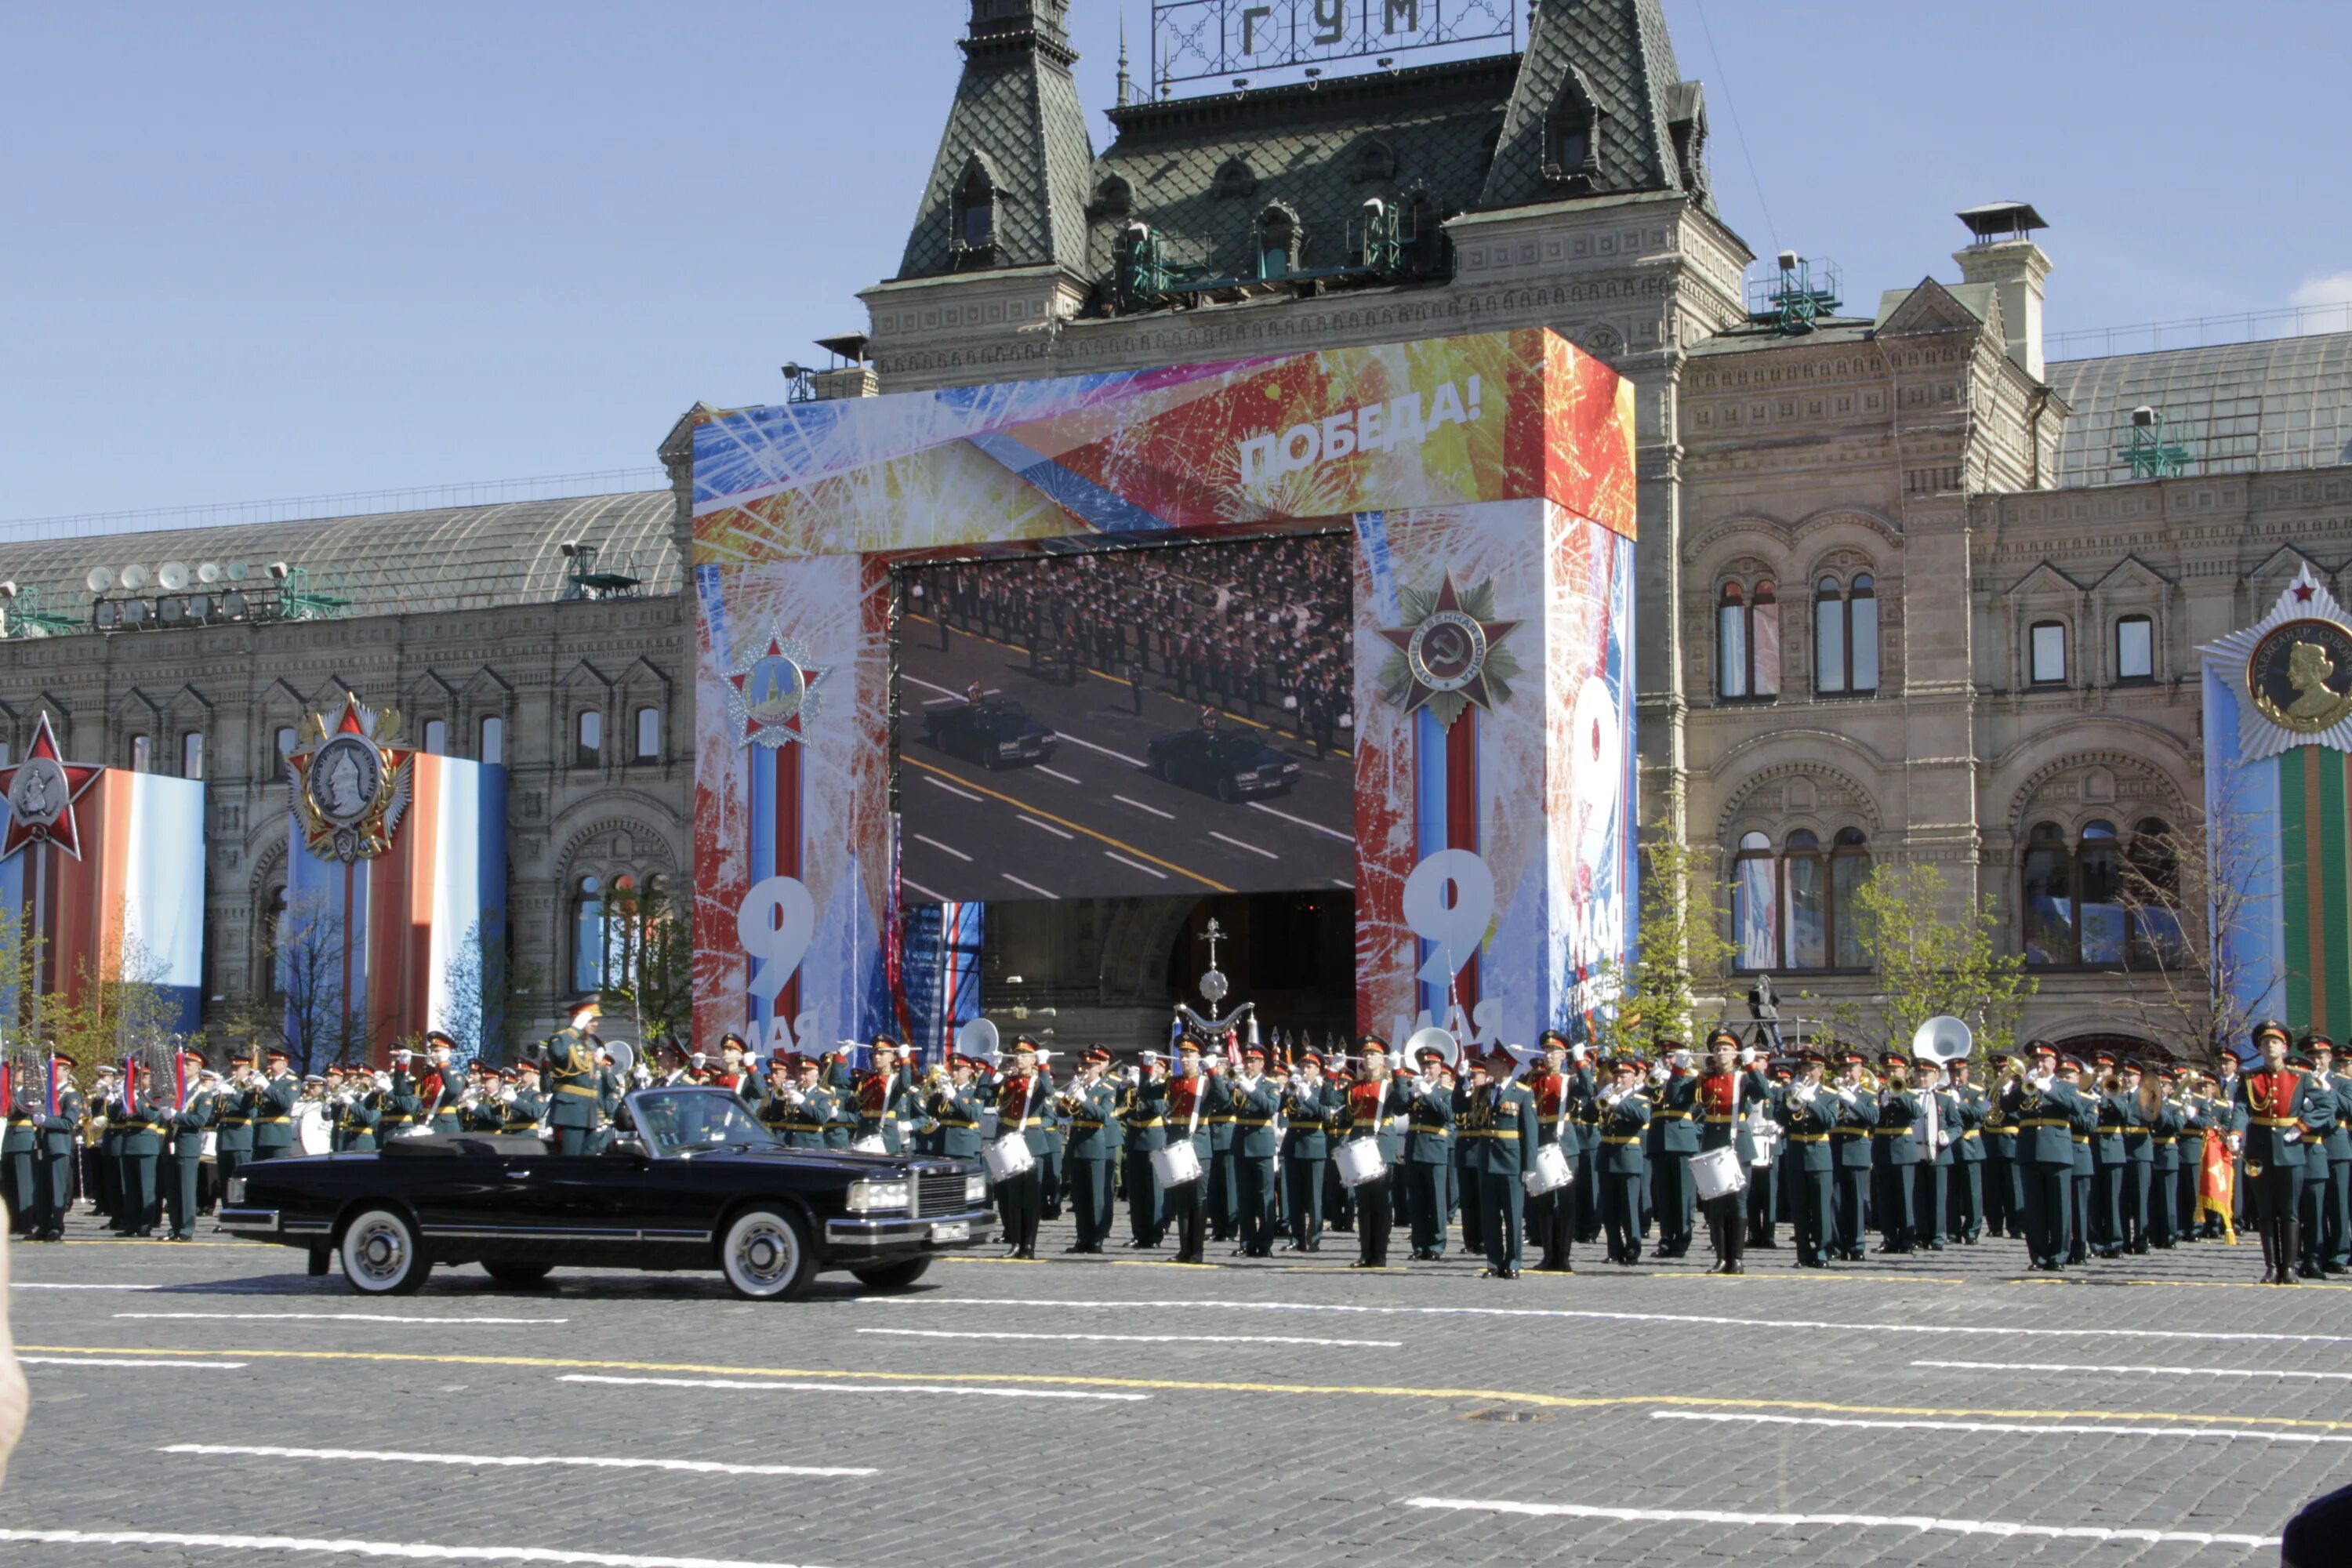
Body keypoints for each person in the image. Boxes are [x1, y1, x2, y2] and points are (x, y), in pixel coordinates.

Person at [2236, 1022, 2314, 1284]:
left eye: (2275, 1042)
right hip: (2258, 1150)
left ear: (2284, 1047)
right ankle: (2271, 1268)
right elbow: (2240, 1108)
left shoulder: (2300, 1077)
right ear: (2259, 1048)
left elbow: (2325, 1105)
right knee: (2265, 1211)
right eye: (2265, 1042)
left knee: (2290, 1211)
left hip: (2290, 1149)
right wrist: (2236, 1135)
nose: (2270, 1046)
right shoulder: (2250, 1078)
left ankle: (2290, 1268)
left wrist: (2302, 1126)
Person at [2004, 1041, 2089, 1272]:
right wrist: (2021, 1087)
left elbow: (2076, 1108)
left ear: (2054, 1063)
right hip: (2029, 1151)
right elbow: (2005, 1106)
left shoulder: (2064, 1086)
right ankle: (2038, 1256)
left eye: (2044, 1060)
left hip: (2057, 1152)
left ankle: (2059, 1256)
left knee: (2060, 1207)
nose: (2040, 1064)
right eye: (2035, 1060)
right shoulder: (2025, 1084)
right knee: (2034, 1208)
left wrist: (2048, 1089)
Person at [1466, 1045, 1539, 1278]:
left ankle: (1514, 1262)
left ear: (1504, 1066)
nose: (1487, 1066)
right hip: (1487, 1159)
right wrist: (1461, 1084)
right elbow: (1474, 1120)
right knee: (1489, 1215)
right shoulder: (1484, 1091)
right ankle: (1494, 1262)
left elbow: (1530, 1132)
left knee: (1513, 1215)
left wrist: (1529, 1166)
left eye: (1492, 1062)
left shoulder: (1523, 1093)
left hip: (1511, 1161)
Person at [1337, 1036, 1409, 1269]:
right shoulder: (1354, 1086)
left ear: (1382, 1060)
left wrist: (1398, 1073)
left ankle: (1380, 1253)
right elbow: (1331, 1104)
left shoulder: (1388, 1085)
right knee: (1364, 1203)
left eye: (1372, 1054)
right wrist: (1331, 1073)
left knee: (1382, 1201)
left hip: (1381, 1145)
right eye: (1365, 1054)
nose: (1367, 1057)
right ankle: (1365, 1253)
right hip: (1359, 1146)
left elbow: (1402, 1105)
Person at [1524, 1031, 1588, 1272]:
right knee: (1544, 1203)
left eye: (1554, 1051)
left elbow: (1587, 1089)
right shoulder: (1533, 1079)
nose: (1549, 1055)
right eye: (1546, 1051)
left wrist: (1581, 1063)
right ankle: (1549, 1255)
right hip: (1541, 1141)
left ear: (1563, 1055)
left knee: (1567, 1203)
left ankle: (1564, 1256)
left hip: (1564, 1144)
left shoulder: (1569, 1080)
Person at [991, 1036, 1052, 1260]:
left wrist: (1044, 1065)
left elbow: (1048, 1090)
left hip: (1032, 1142)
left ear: (1032, 1058)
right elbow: (983, 1095)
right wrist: (991, 1068)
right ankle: (1015, 1244)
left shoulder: (1037, 1080)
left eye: (1023, 1054)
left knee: (1031, 1197)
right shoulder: (1009, 1082)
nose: (1017, 1057)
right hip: (1011, 1141)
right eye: (1016, 1053)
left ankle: (1029, 1246)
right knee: (1014, 1196)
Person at [1776, 1047, 1838, 1267]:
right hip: (1795, 1153)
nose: (1807, 1072)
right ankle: (1803, 1253)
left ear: (1821, 1071)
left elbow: (1831, 1122)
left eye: (1812, 1068)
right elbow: (1781, 1119)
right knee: (1799, 1208)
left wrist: (1812, 1101)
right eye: (1804, 1068)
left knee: (1820, 1207)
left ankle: (1822, 1251)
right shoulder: (1790, 1091)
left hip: (1819, 1152)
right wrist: (1790, 1096)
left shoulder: (1829, 1095)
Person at [1160, 1036, 1218, 1265]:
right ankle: (1184, 1249)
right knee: (1182, 1200)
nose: (1184, 1059)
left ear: (1198, 1057)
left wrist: (1213, 1073)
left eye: (1189, 1055)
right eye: (1182, 1054)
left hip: (1199, 1145)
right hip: (1177, 1143)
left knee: (1199, 1200)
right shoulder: (1173, 1082)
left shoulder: (1206, 1082)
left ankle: (1197, 1250)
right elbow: (1147, 1093)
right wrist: (1146, 1069)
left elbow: (1223, 1099)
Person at [1061, 1047, 1119, 1254]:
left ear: (1099, 1068)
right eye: (1084, 1065)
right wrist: (1070, 1095)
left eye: (1090, 1066)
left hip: (1095, 1144)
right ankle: (1082, 1237)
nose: (1086, 1069)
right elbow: (1061, 1111)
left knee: (1096, 1195)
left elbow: (1104, 1116)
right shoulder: (1080, 1086)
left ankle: (1096, 1238)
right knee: (1080, 1196)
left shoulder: (1107, 1089)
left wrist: (1084, 1100)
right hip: (1077, 1144)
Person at [1595, 1054, 1651, 1265]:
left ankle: (1633, 1249)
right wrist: (1599, 1099)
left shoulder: (1641, 1099)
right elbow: (1591, 1116)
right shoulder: (1608, 1096)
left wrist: (1618, 1105)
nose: (1619, 1078)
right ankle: (1614, 1249)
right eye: (1617, 1074)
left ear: (1634, 1077)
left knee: (1629, 1207)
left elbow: (1642, 1118)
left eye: (1625, 1074)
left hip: (1628, 1155)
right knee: (1609, 1209)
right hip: (1607, 1154)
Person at [1228, 1044, 1281, 1258]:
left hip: (1261, 1145)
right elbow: (1227, 1105)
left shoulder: (1270, 1085)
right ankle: (1247, 1241)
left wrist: (1251, 1090)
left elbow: (1270, 1107)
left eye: (1253, 1061)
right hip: (1241, 1143)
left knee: (1264, 1196)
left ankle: (1265, 1242)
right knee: (1245, 1197)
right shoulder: (1237, 1084)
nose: (1248, 1064)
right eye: (1246, 1060)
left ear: (1262, 1064)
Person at [1647, 1045, 1700, 1258]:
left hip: (1681, 1139)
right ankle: (1666, 1239)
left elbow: (1678, 1098)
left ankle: (1683, 1239)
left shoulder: (1690, 1078)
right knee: (1665, 1195)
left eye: (1672, 1056)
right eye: (1665, 1056)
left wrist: (1677, 1072)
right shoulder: (1657, 1079)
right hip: (1659, 1139)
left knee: (1683, 1194)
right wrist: (1650, 1082)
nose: (1668, 1060)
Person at [1403, 1046, 1456, 1260]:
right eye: (1424, 1064)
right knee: (1416, 1201)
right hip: (1414, 1147)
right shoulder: (1416, 1091)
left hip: (1434, 1148)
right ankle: (1419, 1245)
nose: (1427, 1068)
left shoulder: (1446, 1093)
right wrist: (1407, 1092)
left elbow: (1448, 1115)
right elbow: (1399, 1109)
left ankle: (1436, 1245)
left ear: (1440, 1068)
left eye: (1431, 1064)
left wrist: (1430, 1094)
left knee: (1436, 1200)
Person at [1279, 1051, 1334, 1252]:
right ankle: (1297, 1238)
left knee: (1313, 1197)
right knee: (1294, 1196)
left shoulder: (1324, 1088)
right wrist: (1286, 1091)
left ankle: (1314, 1238)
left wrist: (1309, 1097)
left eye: (1310, 1066)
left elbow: (1327, 1113)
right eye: (1303, 1065)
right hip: (1293, 1143)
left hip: (1313, 1145)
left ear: (1318, 1069)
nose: (1305, 1070)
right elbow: (1276, 1108)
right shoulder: (1293, 1087)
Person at [1826, 1049, 1877, 1261]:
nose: (1847, 1072)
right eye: (1844, 1067)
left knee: (1856, 1200)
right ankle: (1837, 1244)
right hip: (1836, 1148)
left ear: (1860, 1070)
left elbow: (1874, 1118)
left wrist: (1853, 1101)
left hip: (1857, 1149)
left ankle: (1856, 1245)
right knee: (1835, 1200)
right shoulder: (1832, 1093)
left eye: (1851, 1068)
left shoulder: (1868, 1095)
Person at [26, 1055, 82, 1243]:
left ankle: (56, 1227)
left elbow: (68, 1122)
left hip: (59, 1146)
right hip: (42, 1145)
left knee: (58, 1189)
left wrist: (46, 1121)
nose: (52, 1072)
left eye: (57, 1068)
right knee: (41, 1189)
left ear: (67, 1071)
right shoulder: (47, 1093)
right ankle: (43, 1226)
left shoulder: (71, 1094)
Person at [543, 1001, 608, 1156]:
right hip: (570, 1113)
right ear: (577, 1019)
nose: (595, 1024)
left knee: (590, 1163)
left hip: (590, 1113)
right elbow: (558, 1053)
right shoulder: (561, 1039)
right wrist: (573, 1030)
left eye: (596, 1020)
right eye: (591, 1020)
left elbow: (594, 1084)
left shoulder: (590, 1046)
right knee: (570, 1161)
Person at [162, 1054, 214, 1243]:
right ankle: (174, 1227)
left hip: (188, 1143)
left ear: (199, 1068)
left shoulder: (203, 1093)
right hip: (171, 1142)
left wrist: (176, 1117)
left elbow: (200, 1120)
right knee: (172, 1189)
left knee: (186, 1188)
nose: (185, 1067)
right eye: (184, 1063)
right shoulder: (176, 1091)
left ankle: (186, 1228)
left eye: (189, 1064)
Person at [1119, 1050, 1167, 1249]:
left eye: (1154, 1065)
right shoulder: (1133, 1087)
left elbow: (1157, 1108)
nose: (1149, 1069)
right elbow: (1119, 1110)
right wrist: (1123, 1087)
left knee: (1154, 1189)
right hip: (1135, 1138)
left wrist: (1143, 1086)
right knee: (1137, 1190)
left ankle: (1154, 1234)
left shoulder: (1162, 1085)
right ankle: (1139, 1233)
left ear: (1161, 1069)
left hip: (1154, 1136)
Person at [249, 1047, 299, 1163]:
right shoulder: (267, 1081)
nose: (269, 1065)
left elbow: (285, 1103)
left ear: (284, 1064)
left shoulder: (292, 1081)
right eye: (269, 1062)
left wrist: (266, 1087)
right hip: (260, 1135)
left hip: (278, 1136)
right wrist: (250, 1090)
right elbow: (252, 1106)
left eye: (273, 1062)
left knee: (278, 1174)